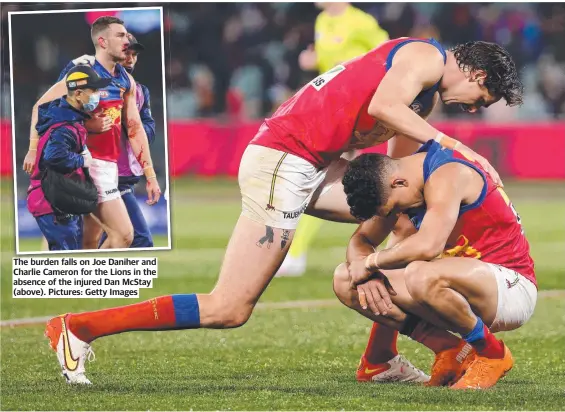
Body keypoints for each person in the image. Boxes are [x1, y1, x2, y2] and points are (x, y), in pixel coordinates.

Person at [44, 37, 523, 384]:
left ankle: (384, 359)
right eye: (483, 99)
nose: (476, 110)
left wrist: (391, 232)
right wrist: (461, 150)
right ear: (477, 74)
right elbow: (382, 103)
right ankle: (78, 328)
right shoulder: (425, 56)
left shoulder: (423, 93)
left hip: (309, 162)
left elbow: (399, 174)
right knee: (229, 308)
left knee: (400, 216)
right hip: (285, 163)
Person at [332, 140, 536, 389]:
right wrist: (363, 269)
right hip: (455, 287)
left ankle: (492, 353)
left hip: (509, 287)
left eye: (394, 207)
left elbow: (429, 245)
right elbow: (362, 239)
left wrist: (371, 262)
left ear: (398, 183)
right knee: (345, 279)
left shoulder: (448, 173)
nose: (396, 215)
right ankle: (450, 350)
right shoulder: (400, 184)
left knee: (420, 273)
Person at [23, 16, 160, 250]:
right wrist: (33, 149)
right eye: (120, 36)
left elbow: (136, 129)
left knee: (88, 242)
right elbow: (41, 108)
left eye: (127, 35)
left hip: (107, 165)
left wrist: (151, 175)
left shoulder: (125, 79)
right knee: (124, 236)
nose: (127, 40)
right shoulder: (81, 72)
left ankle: (85, 282)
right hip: (82, 165)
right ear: (102, 42)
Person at [278, 1, 389, 277]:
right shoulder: (323, 21)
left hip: (355, 109)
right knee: (321, 175)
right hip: (329, 104)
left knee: (318, 175)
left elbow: (389, 56)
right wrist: (313, 60)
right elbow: (328, 62)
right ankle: (297, 252)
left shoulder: (361, 22)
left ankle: (295, 254)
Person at [27, 65, 111, 250]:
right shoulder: (64, 125)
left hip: (54, 199)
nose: (98, 94)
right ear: (79, 94)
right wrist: (83, 160)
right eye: (94, 90)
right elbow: (55, 157)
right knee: (65, 263)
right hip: (51, 202)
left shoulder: (64, 117)